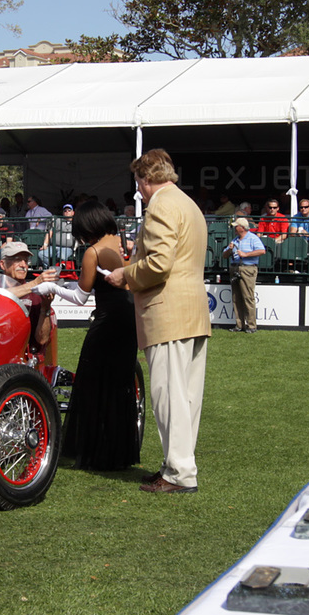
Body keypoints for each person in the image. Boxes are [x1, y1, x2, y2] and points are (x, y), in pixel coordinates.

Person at [106, 148, 210, 495]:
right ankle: (177, 465)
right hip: (193, 311)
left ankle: (179, 472)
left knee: (169, 395)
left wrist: (126, 275)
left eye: (139, 182)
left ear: (146, 178)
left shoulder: (161, 205)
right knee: (187, 397)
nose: (139, 190)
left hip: (167, 312)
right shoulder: (188, 204)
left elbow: (159, 263)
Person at [40, 201, 139, 471]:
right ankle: (116, 451)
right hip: (129, 318)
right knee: (119, 384)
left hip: (108, 321)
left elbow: (80, 297)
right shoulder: (120, 241)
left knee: (91, 380)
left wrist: (51, 286)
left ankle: (94, 451)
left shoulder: (93, 252)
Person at [224, 216, 265, 333]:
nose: (234, 229)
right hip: (235, 267)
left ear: (241, 227)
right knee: (236, 297)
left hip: (247, 268)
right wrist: (229, 250)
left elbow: (262, 251)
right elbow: (224, 255)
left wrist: (246, 255)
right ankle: (239, 324)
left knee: (248, 297)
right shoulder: (235, 240)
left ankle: (251, 325)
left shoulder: (253, 238)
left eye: (236, 226)